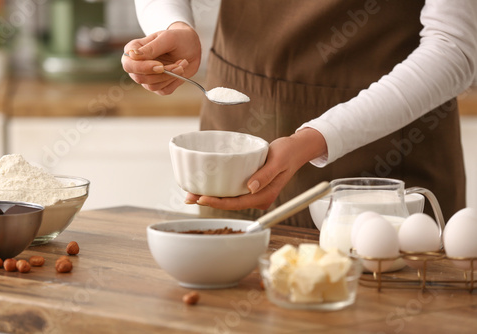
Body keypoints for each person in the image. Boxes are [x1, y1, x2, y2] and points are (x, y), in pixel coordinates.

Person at [122, 0, 477, 228]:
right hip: (241, 136)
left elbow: (455, 49)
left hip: (386, 158)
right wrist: (170, 26)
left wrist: (316, 139)